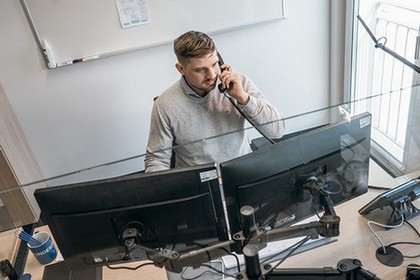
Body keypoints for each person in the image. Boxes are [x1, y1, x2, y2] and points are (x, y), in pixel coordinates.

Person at [144, 30, 285, 173]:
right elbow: (156, 160)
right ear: (181, 69)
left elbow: (277, 132)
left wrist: (243, 98)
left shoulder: (238, 83)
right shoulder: (165, 105)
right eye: (200, 70)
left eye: (214, 64)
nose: (211, 75)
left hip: (243, 172)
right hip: (200, 182)